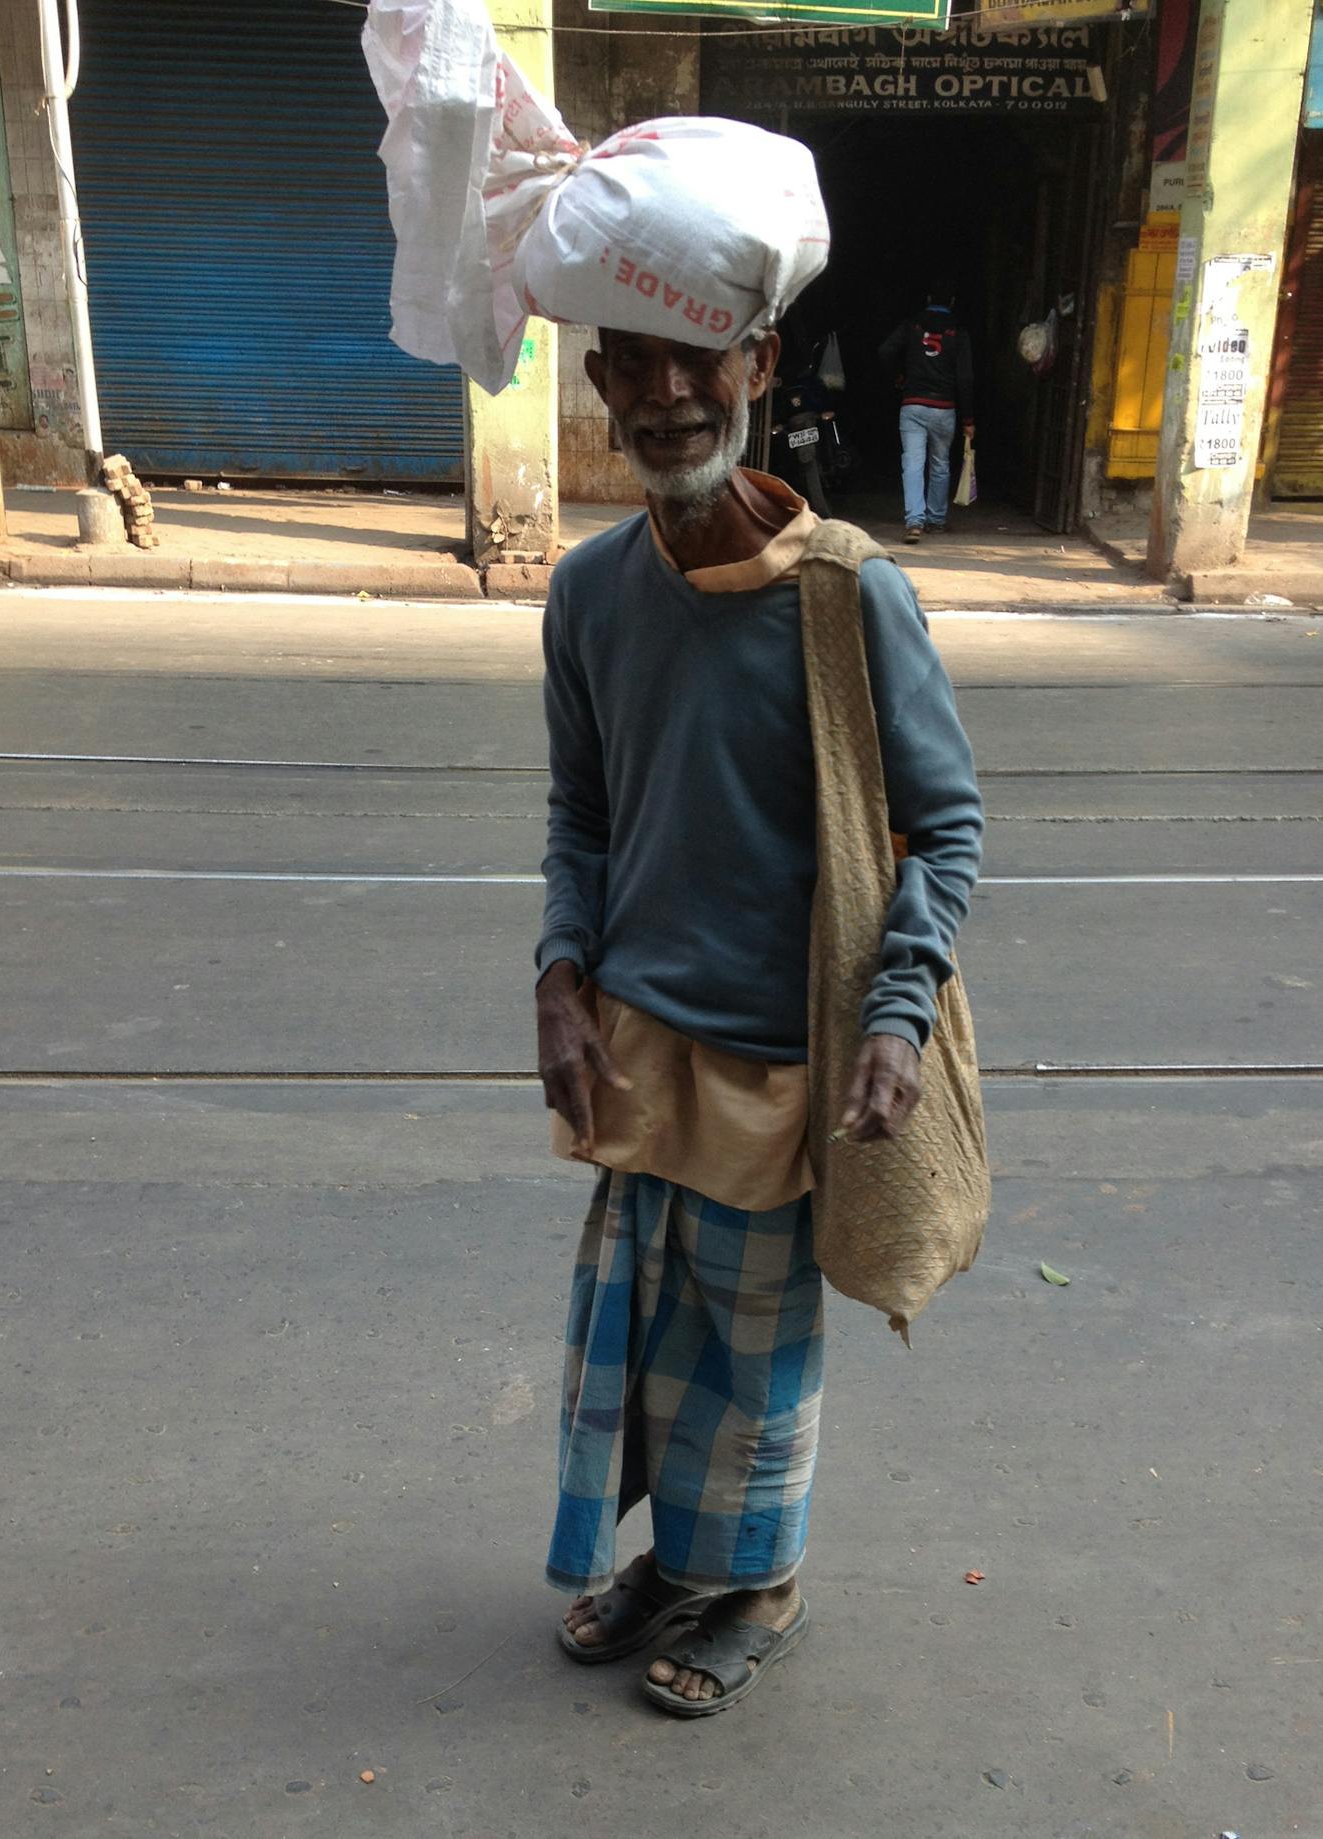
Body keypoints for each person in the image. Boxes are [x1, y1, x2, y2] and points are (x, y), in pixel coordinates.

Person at [536, 319, 984, 1715]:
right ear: (601, 379)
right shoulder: (591, 592)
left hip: (790, 1053)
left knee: (756, 1354)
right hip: (639, 1047)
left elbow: (945, 824)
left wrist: (897, 1012)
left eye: (700, 360)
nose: (669, 396)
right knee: (655, 1343)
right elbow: (583, 815)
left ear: (761, 364)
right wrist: (558, 970)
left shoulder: (849, 595)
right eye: (635, 364)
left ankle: (760, 1584)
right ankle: (682, 1565)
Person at [878, 286, 975, 542]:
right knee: (940, 465)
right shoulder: (959, 332)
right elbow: (965, 377)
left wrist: (899, 375)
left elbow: (885, 350)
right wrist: (968, 419)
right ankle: (936, 519)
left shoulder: (912, 326)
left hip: (913, 405)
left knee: (912, 462)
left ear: (929, 298)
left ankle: (914, 522)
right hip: (945, 408)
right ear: (952, 301)